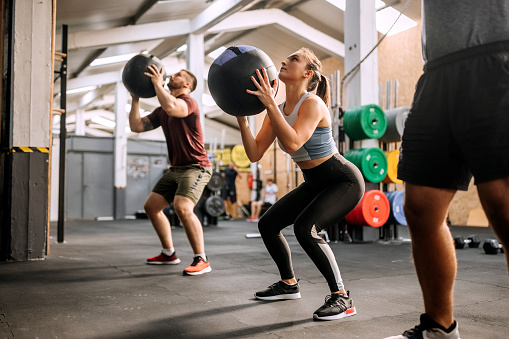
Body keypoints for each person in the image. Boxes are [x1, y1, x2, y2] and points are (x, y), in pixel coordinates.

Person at [386, 1, 509, 338]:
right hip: (437, 72)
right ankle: (439, 328)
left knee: (503, 203)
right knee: (421, 207)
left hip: (498, 55)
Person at [237, 47, 365, 320]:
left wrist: (270, 105)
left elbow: (294, 141)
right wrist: (242, 119)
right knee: (268, 224)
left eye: (293, 59)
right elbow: (255, 154)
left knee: (306, 229)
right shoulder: (278, 109)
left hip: (342, 180)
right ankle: (288, 283)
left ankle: (342, 298)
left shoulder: (313, 103)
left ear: (308, 73)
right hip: (315, 182)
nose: (284, 61)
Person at [128, 66, 213, 276]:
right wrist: (135, 98)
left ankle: (201, 259)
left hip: (197, 167)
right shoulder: (162, 110)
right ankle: (168, 253)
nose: (171, 76)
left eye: (178, 75)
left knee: (182, 206)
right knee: (151, 206)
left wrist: (157, 84)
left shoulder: (189, 103)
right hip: (175, 169)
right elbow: (137, 126)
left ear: (186, 85)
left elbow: (173, 107)